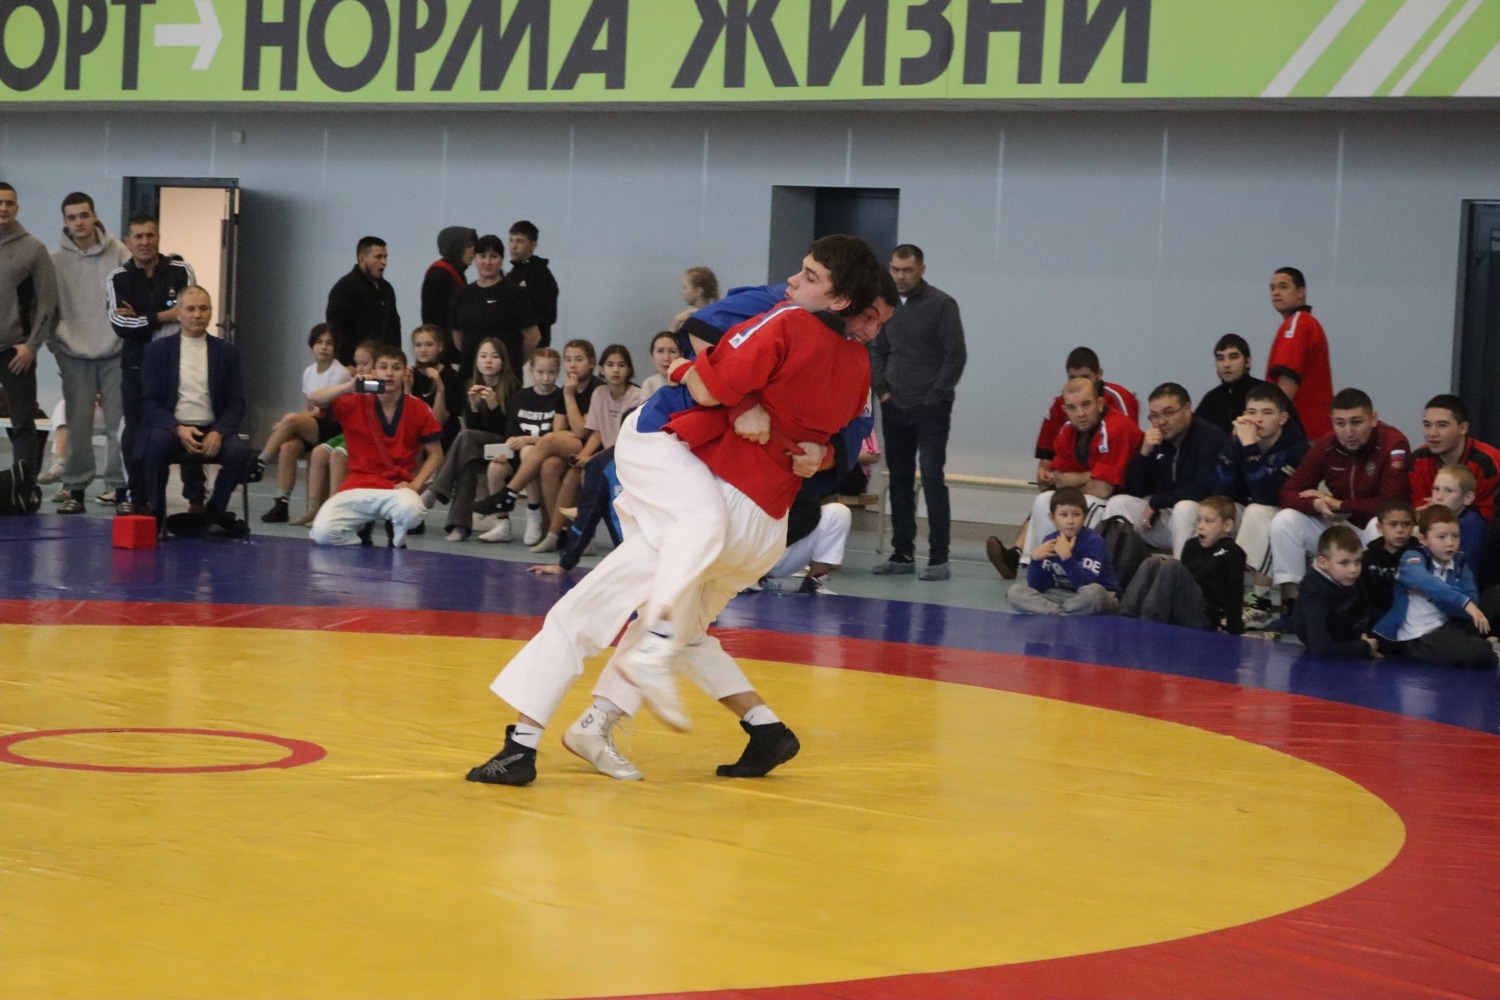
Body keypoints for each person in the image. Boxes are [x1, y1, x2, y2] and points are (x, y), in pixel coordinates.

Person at [466, 234, 884, 786]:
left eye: (880, 320)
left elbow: (826, 436)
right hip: (705, 476)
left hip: (722, 493)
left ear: (843, 299)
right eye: (871, 317)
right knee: (673, 609)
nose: (871, 328)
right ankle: (604, 722)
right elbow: (693, 340)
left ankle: (537, 739)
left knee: (632, 612)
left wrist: (732, 395)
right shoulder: (788, 314)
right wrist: (746, 400)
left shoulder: (825, 342)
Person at [870, 244, 967, 581]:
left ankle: (939, 558)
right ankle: (902, 554)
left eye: (907, 270)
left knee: (931, 477)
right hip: (894, 405)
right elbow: (876, 350)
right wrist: (882, 391)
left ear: (921, 270)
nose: (900, 276)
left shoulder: (942, 305)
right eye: (895, 270)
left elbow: (955, 355)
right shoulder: (885, 305)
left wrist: (935, 396)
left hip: (931, 409)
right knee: (898, 480)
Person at [1268, 388, 1410, 614]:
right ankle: (1294, 604)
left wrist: (1341, 505)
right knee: (1284, 520)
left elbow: (1391, 504)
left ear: (1374, 419)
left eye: (1356, 422)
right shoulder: (1327, 445)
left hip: (1374, 529)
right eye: (1340, 423)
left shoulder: (1393, 443)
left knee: (1380, 525)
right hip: (1342, 527)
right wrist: (1317, 505)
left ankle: (1372, 608)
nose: (1348, 432)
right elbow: (1288, 492)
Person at [135, 286, 252, 534]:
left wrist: (219, 431)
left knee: (238, 452)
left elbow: (236, 402)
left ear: (210, 312)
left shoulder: (228, 352)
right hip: (173, 427)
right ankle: (156, 512)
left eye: (203, 309)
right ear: (178, 313)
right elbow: (148, 402)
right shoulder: (157, 351)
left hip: (213, 427)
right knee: (155, 444)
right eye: (190, 309)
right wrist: (177, 428)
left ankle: (214, 512)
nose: (197, 315)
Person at [307, 346, 443, 548]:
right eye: (383, 367)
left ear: (405, 373)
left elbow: (436, 454)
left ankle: (396, 533)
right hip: (357, 485)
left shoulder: (418, 408)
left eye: (396, 368)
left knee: (413, 511)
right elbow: (315, 398)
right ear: (373, 372)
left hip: (396, 488)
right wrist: (350, 386)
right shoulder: (355, 401)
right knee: (322, 533)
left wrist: (415, 485)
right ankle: (360, 538)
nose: (389, 373)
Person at [108, 215, 197, 514]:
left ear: (158, 238)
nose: (145, 242)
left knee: (190, 426)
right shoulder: (118, 278)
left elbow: (189, 314)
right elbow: (120, 324)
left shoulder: (180, 271)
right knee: (135, 433)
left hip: (179, 366)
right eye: (138, 236)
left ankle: (196, 499)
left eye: (150, 235)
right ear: (128, 241)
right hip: (136, 368)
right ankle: (138, 498)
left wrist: (141, 316)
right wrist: (162, 316)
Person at [49, 191, 128, 513]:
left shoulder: (120, 253)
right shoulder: (55, 261)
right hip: (74, 354)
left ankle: (120, 489)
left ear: (94, 216)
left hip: (116, 352)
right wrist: (58, 347)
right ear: (65, 222)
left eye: (84, 215)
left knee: (118, 425)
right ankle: (76, 490)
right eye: (72, 217)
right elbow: (47, 308)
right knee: (77, 427)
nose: (79, 222)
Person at [1013, 377, 1143, 569]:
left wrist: (1073, 481)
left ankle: (1081, 567)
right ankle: (1036, 563)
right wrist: (1089, 476)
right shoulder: (1067, 432)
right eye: (1072, 408)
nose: (1080, 413)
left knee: (1083, 505)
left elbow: (1102, 489)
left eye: (1086, 404)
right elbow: (1057, 479)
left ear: (1100, 403)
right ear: (1065, 410)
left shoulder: (1116, 428)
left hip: (1133, 502)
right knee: (1044, 500)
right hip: (1104, 497)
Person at [1213, 382, 1308, 623]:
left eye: (1267, 413)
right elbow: (1222, 492)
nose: (1258, 420)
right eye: (1251, 412)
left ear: (1282, 418)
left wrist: (1249, 448)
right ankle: (1209, 598)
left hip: (1286, 516)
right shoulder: (1238, 440)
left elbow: (1266, 494)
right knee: (1204, 512)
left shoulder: (1298, 449)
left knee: (1257, 512)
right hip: (1251, 510)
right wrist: (1233, 445)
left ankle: (1261, 604)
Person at [1103, 383, 1230, 559]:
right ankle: (1110, 570)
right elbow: (1136, 491)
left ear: (1187, 409)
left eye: (1168, 413)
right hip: (1168, 516)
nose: (1161, 422)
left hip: (1205, 519)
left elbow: (1205, 488)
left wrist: (1158, 501)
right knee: (1118, 503)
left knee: (1184, 508)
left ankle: (1181, 574)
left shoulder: (1211, 436)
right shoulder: (1157, 440)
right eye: (1154, 415)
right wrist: (1144, 454)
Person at [1372, 505, 1495, 669]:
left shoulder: (1459, 561)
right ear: (1424, 540)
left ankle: (1475, 641)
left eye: (1455, 536)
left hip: (1448, 622)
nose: (1450, 543)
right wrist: (1462, 601)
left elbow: (1472, 603)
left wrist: (1431, 596)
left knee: (1496, 595)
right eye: (1441, 537)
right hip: (1420, 634)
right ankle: (1484, 647)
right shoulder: (1412, 557)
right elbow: (1422, 580)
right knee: (1480, 652)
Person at [252, 324, 347, 523]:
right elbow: (309, 408)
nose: (324, 347)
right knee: (287, 447)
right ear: (311, 345)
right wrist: (287, 426)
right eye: (319, 342)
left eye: (329, 343)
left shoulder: (339, 373)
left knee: (289, 419)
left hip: (333, 425)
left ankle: (261, 461)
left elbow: (323, 410)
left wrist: (289, 423)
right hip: (315, 425)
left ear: (335, 347)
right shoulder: (308, 372)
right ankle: (281, 504)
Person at [427, 337, 518, 541]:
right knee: (467, 459)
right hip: (479, 446)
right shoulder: (471, 386)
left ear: (503, 361)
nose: (488, 361)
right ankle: (460, 526)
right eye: (483, 356)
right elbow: (475, 431)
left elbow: (508, 431)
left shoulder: (513, 388)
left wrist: (494, 407)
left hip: (506, 447)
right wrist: (475, 408)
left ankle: (434, 491)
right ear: (476, 362)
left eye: (494, 356)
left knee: (465, 438)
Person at [0, 183, 58, 480]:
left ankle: (23, 488)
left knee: (22, 422)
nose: (3, 208)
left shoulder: (34, 249)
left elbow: (48, 303)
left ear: (17, 208)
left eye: (9, 203)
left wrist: (31, 346)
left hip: (15, 352)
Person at [1121, 496, 1246, 633]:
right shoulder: (1191, 545)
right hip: (1184, 609)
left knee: (1172, 565)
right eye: (1198, 520)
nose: (1200, 526)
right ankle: (1125, 617)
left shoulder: (1232, 551)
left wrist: (1235, 630)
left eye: (1208, 521)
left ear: (1227, 525)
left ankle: (1150, 623)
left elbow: (1235, 593)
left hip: (1205, 616)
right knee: (1152, 563)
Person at [476, 347, 563, 543]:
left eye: (551, 373)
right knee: (495, 468)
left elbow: (557, 437)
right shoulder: (521, 397)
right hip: (518, 455)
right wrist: (507, 447)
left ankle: (534, 513)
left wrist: (527, 440)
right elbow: (511, 433)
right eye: (540, 372)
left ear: (558, 372)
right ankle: (502, 524)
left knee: (528, 451)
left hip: (542, 458)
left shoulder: (560, 398)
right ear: (531, 371)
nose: (545, 378)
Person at [1032, 347, 1140, 485]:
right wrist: (1045, 476)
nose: (1080, 413)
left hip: (1118, 481)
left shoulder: (1119, 397)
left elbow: (1126, 452)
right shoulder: (1059, 402)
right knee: (1047, 495)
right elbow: (1047, 455)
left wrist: (1090, 478)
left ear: (1098, 374)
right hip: (1076, 477)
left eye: (1085, 377)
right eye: (1072, 378)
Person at [1007, 487, 1120, 616]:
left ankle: (1056, 612)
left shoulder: (1094, 541)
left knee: (1094, 593)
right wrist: (1036, 561)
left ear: (1085, 516)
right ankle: (1061, 613)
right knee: (1015, 592)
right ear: (1052, 517)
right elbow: (1040, 586)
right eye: (1063, 515)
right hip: (1062, 596)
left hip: (1094, 596)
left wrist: (1067, 558)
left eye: (1076, 514)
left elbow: (1086, 583)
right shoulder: (1050, 541)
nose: (1070, 521)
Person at [450, 233, 539, 377]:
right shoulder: (463, 295)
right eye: (482, 256)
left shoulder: (516, 294)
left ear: (502, 260)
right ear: (475, 258)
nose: (487, 262)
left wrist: (512, 362)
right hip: (469, 375)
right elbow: (458, 337)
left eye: (493, 256)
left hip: (506, 378)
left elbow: (533, 337)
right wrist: (479, 362)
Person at [1291, 525, 1379, 659]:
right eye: (1344, 563)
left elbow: (1363, 611)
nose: (1353, 569)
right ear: (1323, 563)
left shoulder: (1350, 577)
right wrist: (1365, 647)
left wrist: (1363, 636)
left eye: (1358, 561)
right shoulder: (1315, 592)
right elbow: (1321, 649)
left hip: (1347, 635)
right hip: (1328, 648)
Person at [1266, 267, 1333, 440]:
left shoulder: (1297, 324)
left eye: (1283, 286)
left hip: (1300, 432)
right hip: (1313, 432)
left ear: (1300, 292)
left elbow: (1286, 386)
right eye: (1272, 288)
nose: (1276, 293)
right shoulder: (1307, 323)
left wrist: (1266, 426)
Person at [325, 236, 400, 366]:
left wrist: (396, 358)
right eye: (378, 257)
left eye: (385, 257)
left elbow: (394, 327)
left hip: (383, 365)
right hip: (355, 365)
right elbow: (337, 330)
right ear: (362, 258)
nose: (384, 262)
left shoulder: (387, 289)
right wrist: (347, 363)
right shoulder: (344, 288)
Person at [420, 225, 476, 357]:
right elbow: (431, 318)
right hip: (446, 353)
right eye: (468, 246)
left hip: (455, 349)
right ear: (455, 247)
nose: (473, 251)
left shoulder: (458, 274)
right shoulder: (438, 275)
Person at [1196, 334, 1268, 435]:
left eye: (1233, 357)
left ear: (1247, 362)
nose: (1226, 364)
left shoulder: (1267, 393)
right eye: (1220, 358)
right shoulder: (1211, 399)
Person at [1361, 498, 1417, 624]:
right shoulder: (1367, 559)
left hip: (1412, 620)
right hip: (1375, 621)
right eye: (1393, 524)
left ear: (1413, 526)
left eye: (1406, 524)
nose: (1400, 530)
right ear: (1380, 527)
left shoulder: (1421, 557)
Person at [505, 221, 559, 348]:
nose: (513, 246)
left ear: (533, 245)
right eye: (511, 240)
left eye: (520, 241)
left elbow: (548, 316)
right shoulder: (512, 274)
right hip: (511, 343)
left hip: (533, 346)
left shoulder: (541, 274)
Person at [1427, 464, 1485, 568]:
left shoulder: (1471, 523)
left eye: (1448, 490)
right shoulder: (1437, 520)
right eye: (1436, 489)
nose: (1438, 497)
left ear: (1467, 498)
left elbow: (1466, 567)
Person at [670, 265, 719, 332]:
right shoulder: (716, 316)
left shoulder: (695, 321)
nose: (682, 292)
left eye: (685, 287)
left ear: (698, 291)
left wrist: (676, 322)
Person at [640, 330, 681, 395]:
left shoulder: (690, 381)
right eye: (660, 351)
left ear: (681, 356)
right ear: (652, 357)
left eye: (672, 351)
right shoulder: (649, 384)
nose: (666, 358)